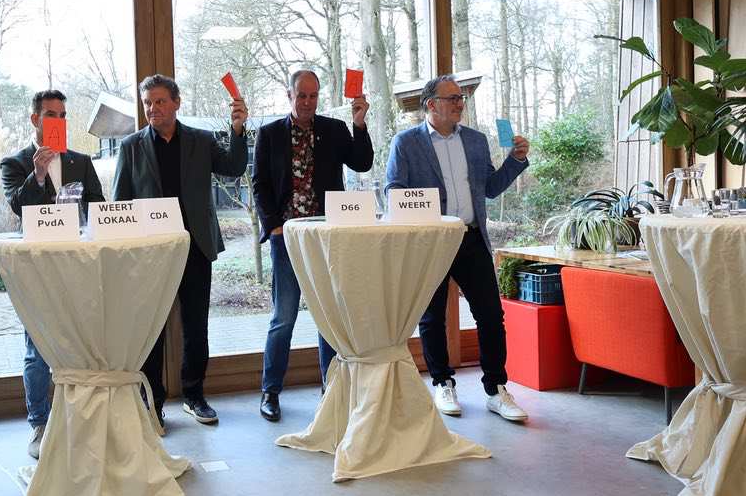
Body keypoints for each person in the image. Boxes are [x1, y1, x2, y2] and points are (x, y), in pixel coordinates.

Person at [384, 75, 531, 422]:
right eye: (452, 99)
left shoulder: (477, 141)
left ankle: (495, 388)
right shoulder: (406, 143)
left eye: (461, 98)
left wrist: (516, 160)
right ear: (431, 104)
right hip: (431, 241)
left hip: (471, 237)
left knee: (491, 315)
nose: (460, 104)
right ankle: (442, 382)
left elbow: (491, 188)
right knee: (432, 317)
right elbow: (393, 190)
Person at [114, 74, 248, 427]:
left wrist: (237, 129)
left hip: (195, 247)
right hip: (150, 253)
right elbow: (120, 204)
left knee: (195, 327)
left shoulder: (201, 141)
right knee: (152, 330)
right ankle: (153, 402)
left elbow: (234, 169)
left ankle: (194, 396)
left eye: (159, 101)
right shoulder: (130, 147)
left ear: (176, 102)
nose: (153, 109)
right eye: (147, 104)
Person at [251, 69, 373, 422]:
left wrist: (360, 124)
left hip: (326, 237)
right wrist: (273, 226)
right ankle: (270, 391)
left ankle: (331, 387)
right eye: (301, 95)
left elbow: (362, 163)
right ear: (289, 95)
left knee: (328, 317)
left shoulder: (334, 130)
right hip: (286, 238)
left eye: (313, 96)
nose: (307, 102)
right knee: (283, 317)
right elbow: (259, 184)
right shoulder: (270, 133)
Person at [0, 89, 105, 459]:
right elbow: (17, 207)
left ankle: (78, 419)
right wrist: (39, 174)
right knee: (37, 349)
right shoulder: (14, 163)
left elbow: (100, 210)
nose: (57, 121)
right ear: (34, 120)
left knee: (78, 343)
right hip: (37, 271)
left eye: (62, 115)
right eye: (50, 114)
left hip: (77, 268)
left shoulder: (80, 160)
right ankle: (39, 424)